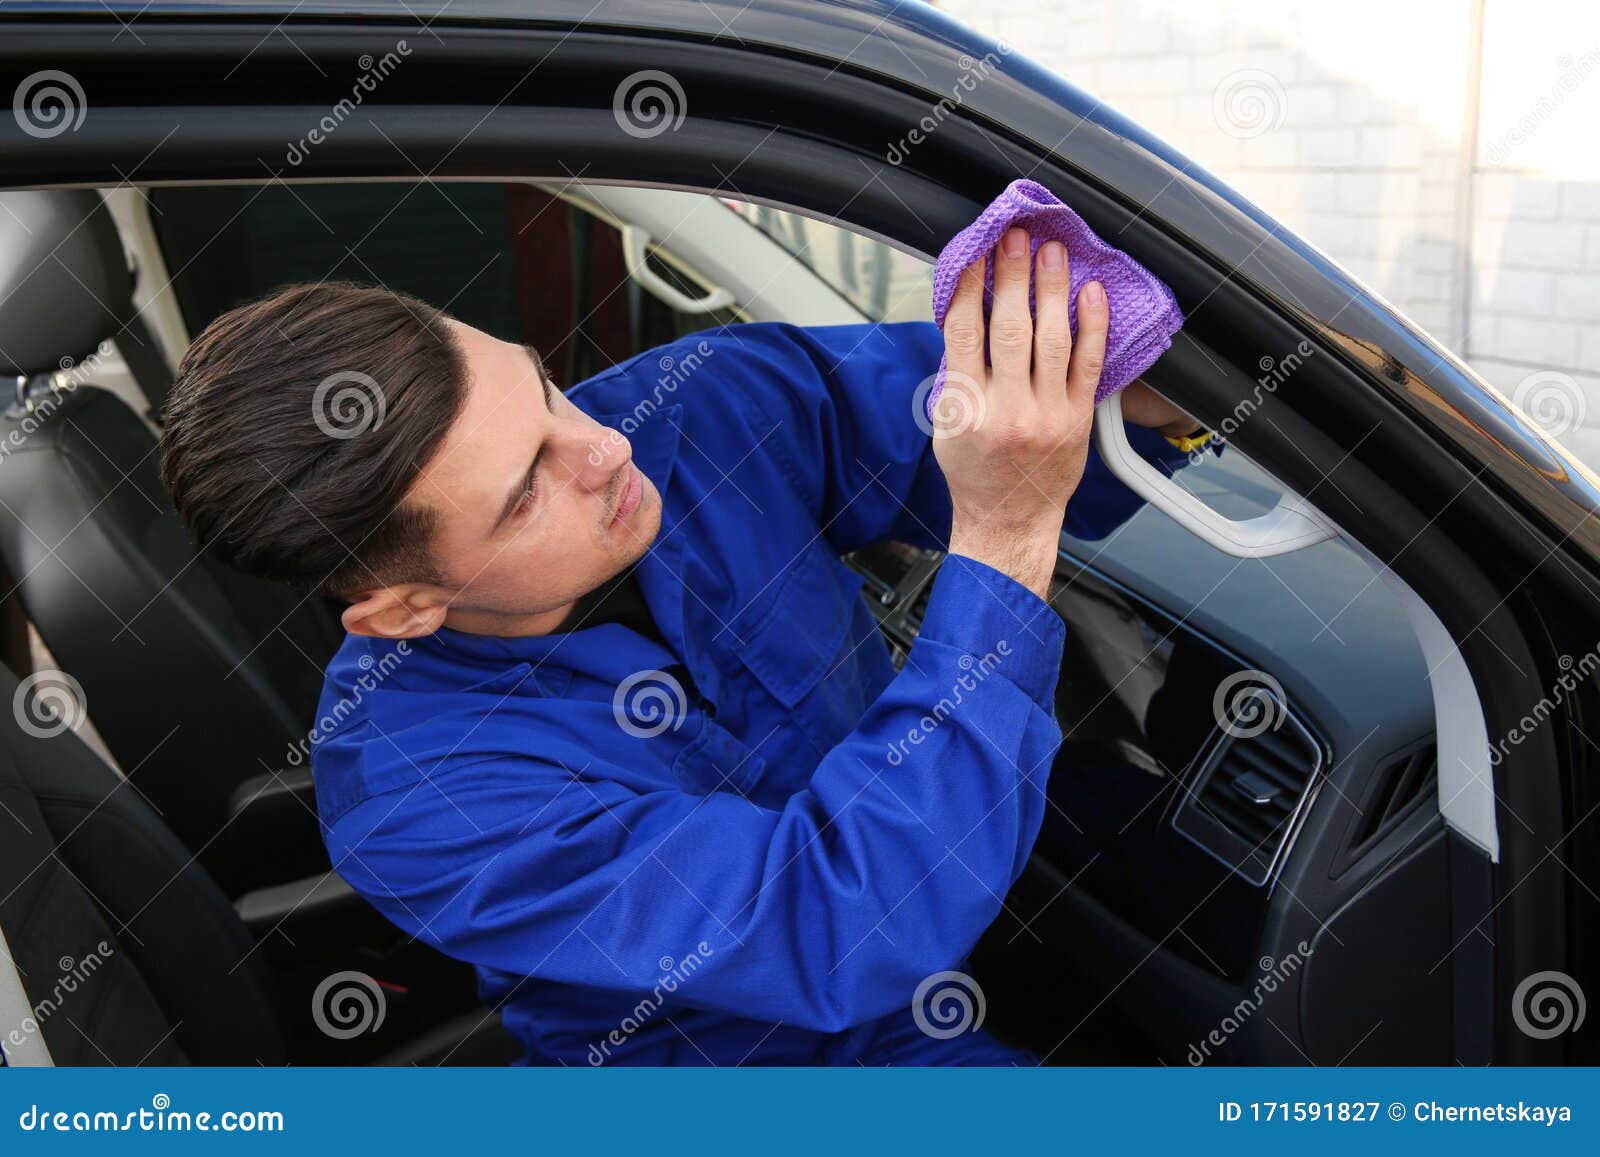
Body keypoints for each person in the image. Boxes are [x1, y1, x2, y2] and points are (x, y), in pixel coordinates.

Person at [158, 225, 1212, 1065]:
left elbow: (954, 419)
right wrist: (1006, 532)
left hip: (960, 874)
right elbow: (835, 924)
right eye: (527, 488)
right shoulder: (421, 798)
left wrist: (1147, 394)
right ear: (404, 608)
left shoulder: (691, 408)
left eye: (545, 389)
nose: (605, 445)